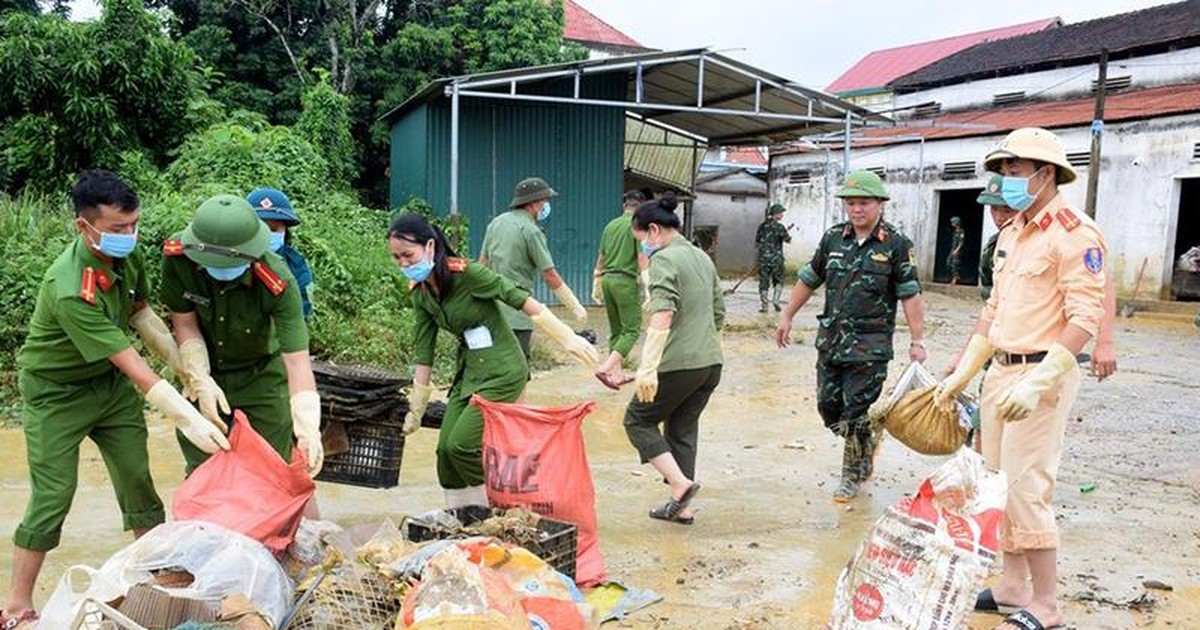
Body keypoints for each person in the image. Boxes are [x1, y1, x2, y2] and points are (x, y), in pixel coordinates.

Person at [2, 171, 228, 628]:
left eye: (133, 225)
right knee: (54, 494)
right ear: (83, 228)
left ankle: (156, 582)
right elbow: (134, 366)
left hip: (107, 387)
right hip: (56, 393)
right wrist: (187, 416)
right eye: (116, 229)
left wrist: (188, 369)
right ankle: (15, 606)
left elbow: (140, 311)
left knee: (136, 480)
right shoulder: (69, 287)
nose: (129, 235)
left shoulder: (124, 256)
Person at [936, 127, 1107, 630]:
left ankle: (1047, 603)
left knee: (1028, 488)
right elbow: (994, 311)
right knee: (997, 483)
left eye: (1013, 172)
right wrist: (966, 371)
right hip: (1001, 371)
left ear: (1045, 173)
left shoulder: (1075, 234)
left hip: (1041, 375)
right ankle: (1013, 585)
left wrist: (1040, 381)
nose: (1006, 182)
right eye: (1003, 172)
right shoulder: (1012, 233)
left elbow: (1084, 318)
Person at [388, 213, 599, 508]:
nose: (404, 264)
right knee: (445, 454)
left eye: (408, 255)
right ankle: (463, 520)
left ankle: (504, 508)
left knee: (462, 446)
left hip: (503, 371)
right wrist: (418, 404)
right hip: (469, 374)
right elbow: (424, 349)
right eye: (397, 258)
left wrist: (566, 337)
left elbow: (518, 298)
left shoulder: (468, 274)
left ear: (431, 246)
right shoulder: (421, 294)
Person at [775, 169, 926, 503]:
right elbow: (809, 278)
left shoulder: (896, 244)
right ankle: (866, 444)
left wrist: (917, 340)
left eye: (864, 203)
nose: (857, 209)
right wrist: (787, 315)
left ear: (880, 204)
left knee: (855, 412)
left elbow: (910, 294)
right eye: (851, 203)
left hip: (869, 347)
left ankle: (851, 476)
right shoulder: (833, 238)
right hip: (831, 341)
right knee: (828, 409)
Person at [159, 194, 323, 478]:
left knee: (272, 470)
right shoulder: (179, 257)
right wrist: (200, 379)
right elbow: (184, 322)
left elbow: (297, 362)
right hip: (203, 368)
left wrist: (308, 427)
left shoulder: (278, 279)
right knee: (205, 471)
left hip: (261, 376)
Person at [622, 193, 723, 525]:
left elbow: (663, 313)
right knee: (681, 428)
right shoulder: (701, 257)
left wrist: (648, 368)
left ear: (653, 230)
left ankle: (679, 486)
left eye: (641, 241)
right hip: (710, 364)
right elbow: (719, 313)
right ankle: (683, 507)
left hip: (680, 364)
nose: (643, 250)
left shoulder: (664, 259)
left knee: (638, 420)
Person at [480, 177, 587, 358]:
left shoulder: (496, 223)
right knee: (518, 370)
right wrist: (575, 306)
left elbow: (483, 263)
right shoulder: (531, 231)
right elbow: (550, 275)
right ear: (534, 203)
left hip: (492, 310)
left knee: (494, 366)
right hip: (518, 312)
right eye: (545, 200)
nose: (546, 205)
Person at [592, 190, 648, 388]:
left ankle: (616, 375)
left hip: (607, 280)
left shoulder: (610, 225)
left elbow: (602, 255)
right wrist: (648, 285)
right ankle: (605, 368)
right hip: (625, 282)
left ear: (625, 205)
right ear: (641, 207)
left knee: (616, 330)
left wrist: (596, 278)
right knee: (632, 329)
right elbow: (642, 258)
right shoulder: (637, 226)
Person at [248, 187, 314, 321]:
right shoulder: (230, 259)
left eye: (273, 229)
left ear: (285, 232)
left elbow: (302, 312)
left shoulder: (296, 265)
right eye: (261, 228)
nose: (267, 235)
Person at [755, 203, 792, 313]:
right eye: (781, 213)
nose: (782, 215)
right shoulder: (780, 227)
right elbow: (788, 240)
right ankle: (776, 301)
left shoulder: (762, 226)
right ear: (776, 214)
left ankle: (764, 305)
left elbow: (757, 242)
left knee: (764, 281)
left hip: (763, 259)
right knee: (779, 280)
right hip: (776, 259)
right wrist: (787, 233)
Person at [947, 216, 965, 285]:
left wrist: (957, 250)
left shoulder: (961, 232)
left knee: (955, 265)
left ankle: (955, 279)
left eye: (953, 222)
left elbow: (961, 243)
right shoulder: (955, 231)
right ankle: (956, 277)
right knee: (948, 263)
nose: (952, 224)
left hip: (957, 250)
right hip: (953, 249)